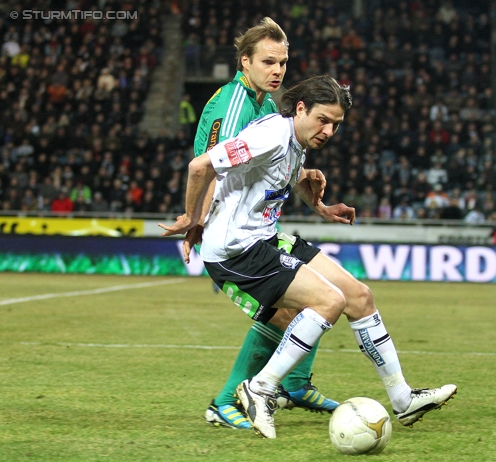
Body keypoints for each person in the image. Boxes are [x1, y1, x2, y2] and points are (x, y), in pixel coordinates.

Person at [160, 75, 457, 439]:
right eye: (324, 120)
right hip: (236, 250)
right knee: (328, 302)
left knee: (359, 297)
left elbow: (278, 174)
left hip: (265, 238)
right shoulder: (269, 132)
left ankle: (403, 399)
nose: (329, 130)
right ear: (300, 108)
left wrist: (320, 206)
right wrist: (194, 218)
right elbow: (200, 166)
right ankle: (260, 388)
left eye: (336, 124)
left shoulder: (295, 139)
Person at [188, 18, 339, 430]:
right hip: (229, 238)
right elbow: (208, 166)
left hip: (256, 233)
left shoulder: (267, 105)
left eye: (283, 63)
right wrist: (194, 223)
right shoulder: (233, 103)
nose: (278, 71)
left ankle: (291, 384)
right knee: (284, 314)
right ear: (245, 62)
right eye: (268, 62)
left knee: (305, 304)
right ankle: (223, 403)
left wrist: (308, 185)